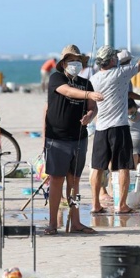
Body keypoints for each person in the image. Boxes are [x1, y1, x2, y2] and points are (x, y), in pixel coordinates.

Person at [89, 34, 140, 215]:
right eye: (114, 56)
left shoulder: (94, 80)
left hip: (100, 128)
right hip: (119, 127)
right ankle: (121, 205)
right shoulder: (120, 73)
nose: (117, 58)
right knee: (123, 166)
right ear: (111, 60)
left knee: (97, 167)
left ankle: (94, 204)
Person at [43, 44, 103, 235]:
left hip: (79, 138)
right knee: (56, 180)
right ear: (64, 63)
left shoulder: (86, 83)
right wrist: (88, 94)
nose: (75, 64)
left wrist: (90, 115)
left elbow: (93, 107)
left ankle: (76, 221)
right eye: (71, 61)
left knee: (75, 182)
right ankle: (52, 223)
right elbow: (67, 91)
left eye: (77, 60)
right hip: (58, 138)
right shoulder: (56, 78)